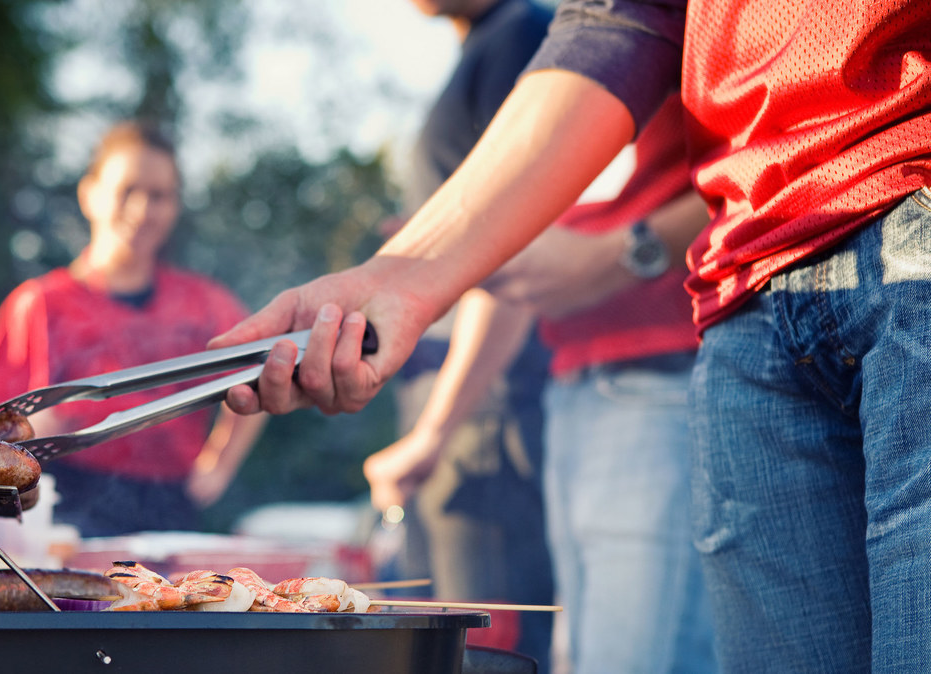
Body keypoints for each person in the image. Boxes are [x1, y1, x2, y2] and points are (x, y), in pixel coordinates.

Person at [212, 1, 931, 670]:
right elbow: (623, 20)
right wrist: (399, 277)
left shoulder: (507, 33)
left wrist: (628, 252)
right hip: (746, 292)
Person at [368, 92, 717, 672]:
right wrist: (435, 431)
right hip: (573, 391)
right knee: (587, 654)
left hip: (666, 377)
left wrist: (628, 253)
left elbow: (761, 170)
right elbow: (512, 269)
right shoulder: (570, 70)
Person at [0, 120, 267, 537]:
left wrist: (219, 466)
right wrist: (43, 429)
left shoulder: (203, 304)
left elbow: (260, 369)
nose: (143, 210)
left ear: (175, 207)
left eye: (159, 196)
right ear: (90, 195)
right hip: (62, 505)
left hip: (170, 506)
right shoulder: (41, 304)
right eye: (128, 191)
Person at [370, 0, 555, 664]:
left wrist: (434, 432)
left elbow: (511, 245)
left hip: (482, 415)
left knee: (483, 655)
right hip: (456, 410)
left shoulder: (520, 35)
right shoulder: (484, 43)